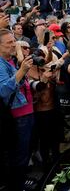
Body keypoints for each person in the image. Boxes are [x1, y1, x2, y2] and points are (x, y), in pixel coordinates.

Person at [0, 29, 34, 190]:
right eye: (9, 42)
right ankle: (16, 185)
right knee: (17, 153)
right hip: (15, 114)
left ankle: (20, 181)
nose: (14, 44)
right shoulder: (0, 64)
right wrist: (22, 71)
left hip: (24, 110)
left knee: (24, 151)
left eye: (14, 41)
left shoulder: (11, 60)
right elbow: (3, 90)